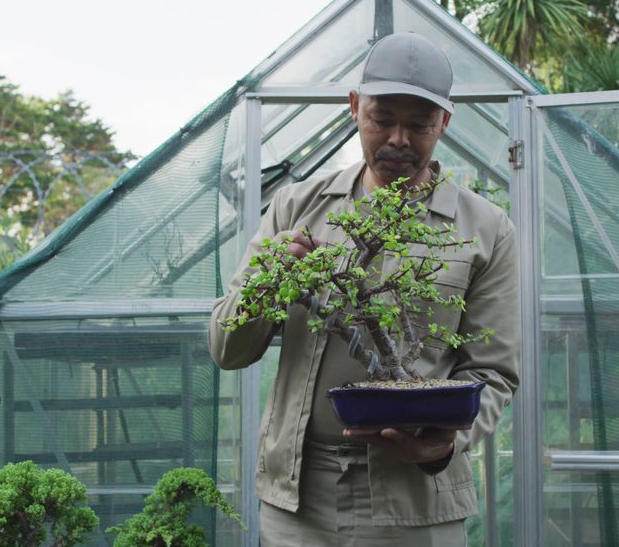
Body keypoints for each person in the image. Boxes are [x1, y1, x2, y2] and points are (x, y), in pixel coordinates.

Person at [209, 32, 520, 546]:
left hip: (416, 505)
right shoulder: (296, 209)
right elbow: (225, 349)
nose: (398, 139)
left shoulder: (485, 230)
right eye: (382, 119)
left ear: (444, 123)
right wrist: (271, 285)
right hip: (298, 501)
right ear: (355, 108)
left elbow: (495, 372)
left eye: (418, 124)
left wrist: (446, 443)